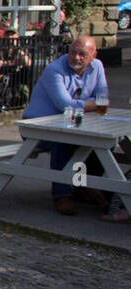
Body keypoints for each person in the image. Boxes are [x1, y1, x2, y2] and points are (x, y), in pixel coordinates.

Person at [22, 36, 111, 216]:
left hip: (73, 123)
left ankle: (83, 187)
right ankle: (62, 194)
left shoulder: (98, 67)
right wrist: (94, 104)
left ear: (93, 55)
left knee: (102, 143)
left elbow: (104, 97)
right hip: (36, 128)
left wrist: (87, 104)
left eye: (82, 54)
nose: (76, 57)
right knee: (63, 141)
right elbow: (66, 105)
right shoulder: (54, 70)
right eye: (72, 52)